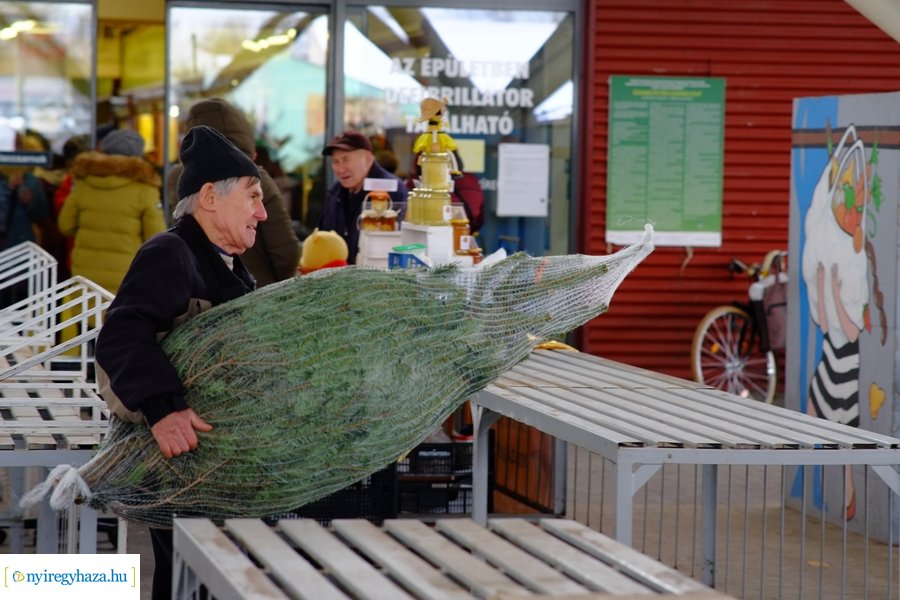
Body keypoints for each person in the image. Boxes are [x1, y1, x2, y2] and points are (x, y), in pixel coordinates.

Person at [94, 125, 266, 600]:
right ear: (209, 197)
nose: (263, 212)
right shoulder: (170, 253)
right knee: (190, 581)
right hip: (183, 469)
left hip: (209, 470)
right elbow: (121, 337)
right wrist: (164, 408)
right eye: (253, 197)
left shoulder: (221, 260)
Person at [165, 98, 300, 287]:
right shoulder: (254, 178)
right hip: (256, 294)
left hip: (197, 292)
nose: (261, 214)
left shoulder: (177, 179)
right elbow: (286, 252)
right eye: (253, 197)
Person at [57, 129, 166, 293]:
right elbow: (156, 238)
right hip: (126, 276)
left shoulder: (83, 182)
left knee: (86, 308)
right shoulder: (145, 189)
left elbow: (65, 225)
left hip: (85, 276)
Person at [318, 130, 408, 264]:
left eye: (346, 160)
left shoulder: (392, 190)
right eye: (335, 161)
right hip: (338, 274)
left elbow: (396, 246)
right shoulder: (335, 192)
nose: (340, 169)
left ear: (368, 159)